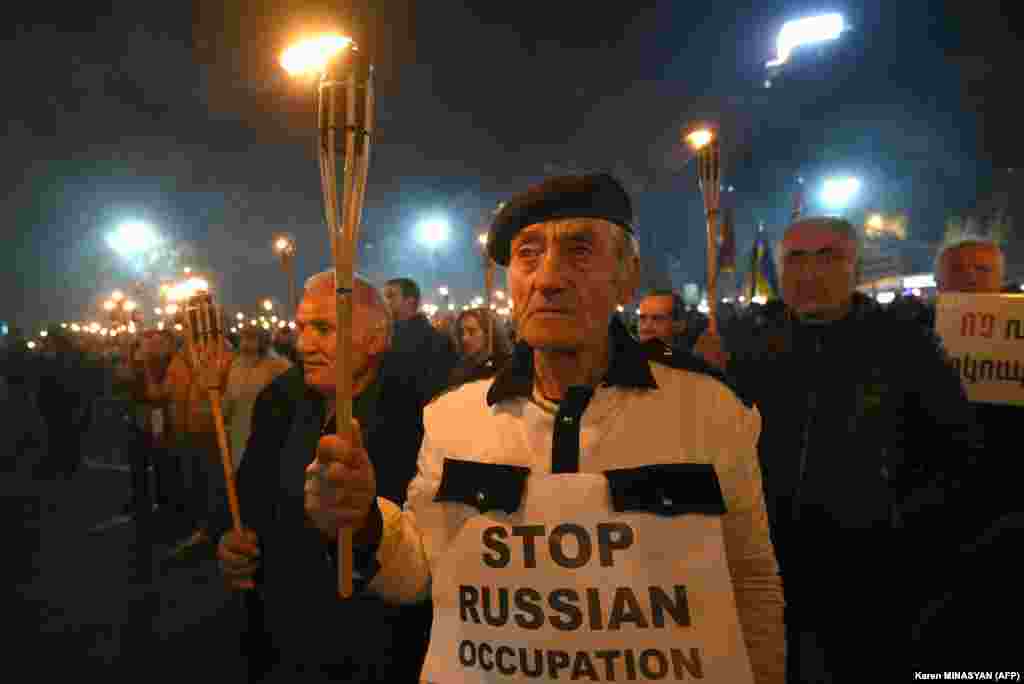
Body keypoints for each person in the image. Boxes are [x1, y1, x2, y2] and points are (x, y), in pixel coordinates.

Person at [305, 173, 784, 683]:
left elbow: (750, 585)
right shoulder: (454, 414)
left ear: (627, 275)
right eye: (527, 255)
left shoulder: (708, 409)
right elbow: (423, 570)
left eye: (579, 251)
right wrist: (361, 523)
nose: (548, 278)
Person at [698, 217, 974, 683]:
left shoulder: (904, 345)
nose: (810, 272)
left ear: (854, 266)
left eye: (827, 256)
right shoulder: (746, 346)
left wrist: (899, 528)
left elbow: (954, 453)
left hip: (871, 576)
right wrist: (703, 373)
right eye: (797, 259)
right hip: (767, 567)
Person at [216, 274, 431, 683]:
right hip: (282, 639)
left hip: (378, 648)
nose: (303, 344)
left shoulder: (420, 410)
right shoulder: (280, 398)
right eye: (301, 327)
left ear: (376, 339)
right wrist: (229, 538)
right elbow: (248, 494)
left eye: (323, 329)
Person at [222, 326, 291, 473]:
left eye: (251, 338)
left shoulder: (277, 365)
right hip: (239, 433)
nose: (246, 343)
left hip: (267, 434)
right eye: (244, 338)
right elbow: (229, 398)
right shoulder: (236, 365)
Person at [383, 277, 457, 402]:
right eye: (384, 296)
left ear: (410, 301)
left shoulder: (436, 341)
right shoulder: (383, 336)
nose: (385, 301)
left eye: (391, 296)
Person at [445, 307, 512, 389]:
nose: (464, 338)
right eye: (462, 332)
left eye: (471, 331)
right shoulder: (461, 368)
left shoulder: (506, 367)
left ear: (488, 333)